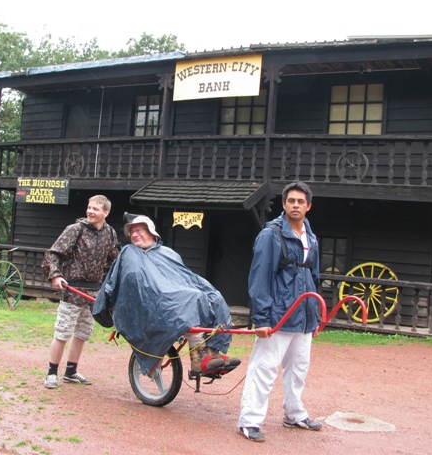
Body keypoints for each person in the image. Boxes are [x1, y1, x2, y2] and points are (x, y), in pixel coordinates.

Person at [93, 214, 240, 376]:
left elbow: (185, 277)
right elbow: (133, 280)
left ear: (151, 232)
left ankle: (213, 351)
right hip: (153, 301)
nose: (134, 235)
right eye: (132, 232)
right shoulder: (130, 253)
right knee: (191, 296)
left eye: (139, 230)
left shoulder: (167, 253)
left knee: (214, 296)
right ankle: (199, 359)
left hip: (174, 294)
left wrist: (200, 290)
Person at [238, 181, 323, 442]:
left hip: (304, 314)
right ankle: (249, 421)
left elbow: (315, 277)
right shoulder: (271, 235)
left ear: (308, 206)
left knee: (299, 368)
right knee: (264, 368)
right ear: (284, 205)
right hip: (279, 314)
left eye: (300, 201)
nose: (295, 205)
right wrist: (261, 317)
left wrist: (317, 315)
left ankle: (294, 414)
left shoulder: (311, 237)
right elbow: (260, 277)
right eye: (290, 201)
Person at [41, 195, 119, 389]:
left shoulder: (110, 233)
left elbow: (113, 262)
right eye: (89, 207)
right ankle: (51, 373)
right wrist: (55, 275)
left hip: (93, 294)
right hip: (72, 290)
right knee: (63, 332)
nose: (90, 211)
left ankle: (71, 371)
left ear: (106, 213)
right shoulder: (75, 230)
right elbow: (53, 254)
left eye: (96, 209)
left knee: (83, 333)